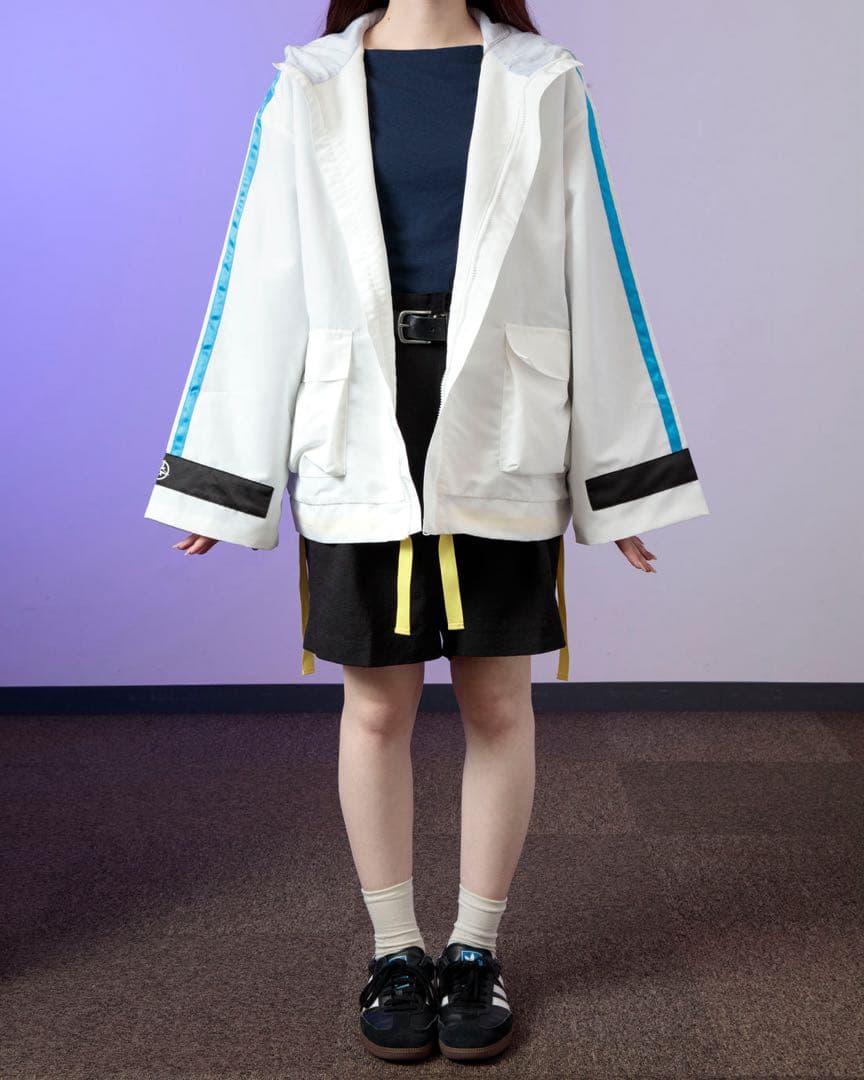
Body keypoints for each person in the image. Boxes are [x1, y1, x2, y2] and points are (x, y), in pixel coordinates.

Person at [144, 0, 709, 1064]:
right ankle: (396, 951)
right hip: (357, 420)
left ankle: (476, 950)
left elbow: (595, 271)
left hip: (501, 417)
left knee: (497, 700)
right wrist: (225, 479)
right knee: (375, 706)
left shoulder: (545, 79)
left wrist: (622, 482)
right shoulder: (307, 81)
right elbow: (262, 276)